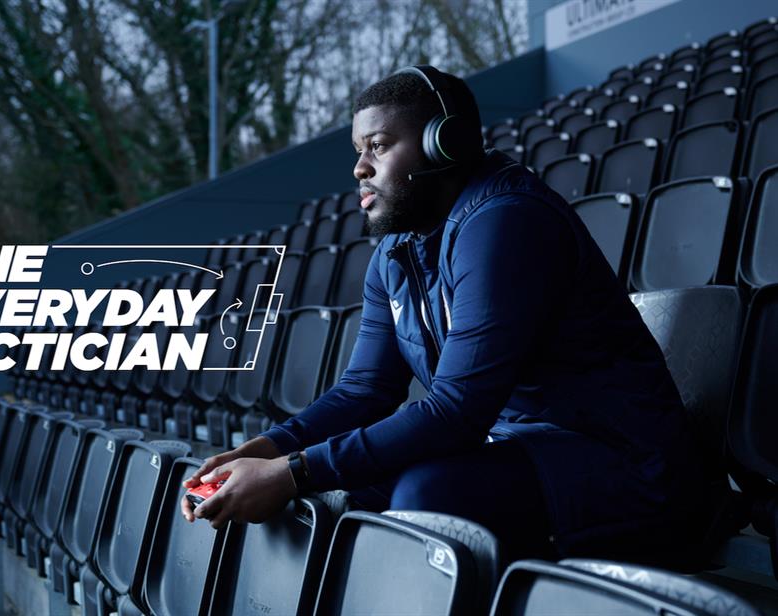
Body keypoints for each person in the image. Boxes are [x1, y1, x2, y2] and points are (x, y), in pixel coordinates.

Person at [180, 65, 705, 560]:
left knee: (427, 491)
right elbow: (365, 388)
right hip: (523, 444)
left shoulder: (507, 223)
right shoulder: (395, 249)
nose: (360, 169)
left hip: (623, 460)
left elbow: (457, 411)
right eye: (359, 151)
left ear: (443, 145)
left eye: (379, 147)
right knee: (351, 482)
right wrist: (271, 449)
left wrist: (292, 472)